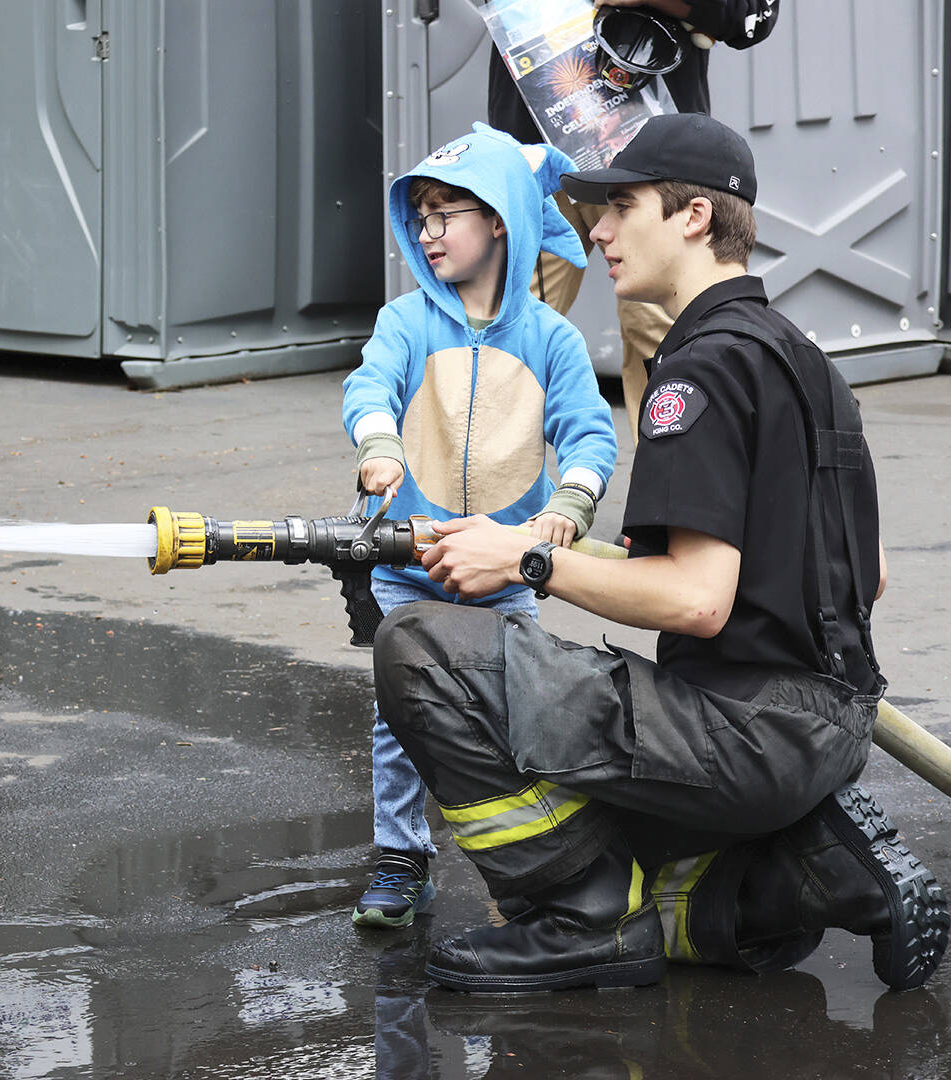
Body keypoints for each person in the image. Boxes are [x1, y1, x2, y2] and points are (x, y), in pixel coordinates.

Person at [372, 113, 949, 992]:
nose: (595, 230)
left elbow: (697, 601)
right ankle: (809, 872)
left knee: (419, 645)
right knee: (654, 873)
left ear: (692, 219)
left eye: (620, 205)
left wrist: (523, 560)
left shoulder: (698, 369)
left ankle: (578, 918)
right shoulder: (811, 363)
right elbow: (865, 576)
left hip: (742, 736)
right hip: (833, 730)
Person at [342, 123, 618, 930]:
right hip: (407, 563)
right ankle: (401, 857)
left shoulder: (551, 339)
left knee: (521, 711)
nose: (427, 234)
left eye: (445, 215)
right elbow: (368, 387)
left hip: (503, 570)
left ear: (498, 217)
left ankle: (535, 864)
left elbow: (591, 435)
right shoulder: (405, 323)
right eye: (418, 217)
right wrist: (379, 445)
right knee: (401, 718)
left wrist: (569, 504)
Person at [488, 0, 779, 443]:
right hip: (541, 142)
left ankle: (669, 496)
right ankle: (490, 498)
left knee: (664, 332)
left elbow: (749, 17)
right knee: (509, 331)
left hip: (655, 153)